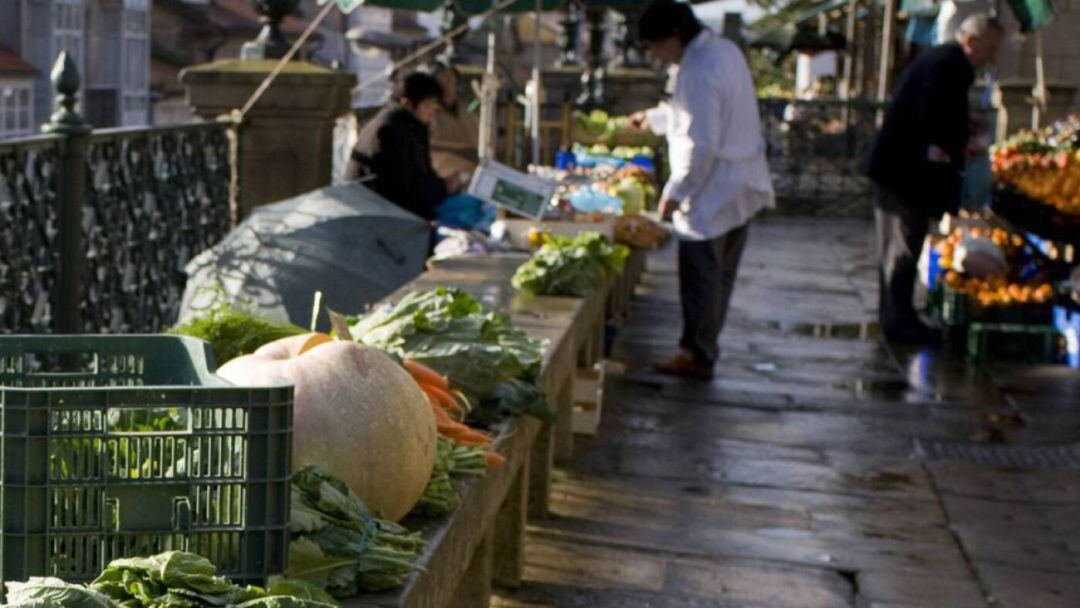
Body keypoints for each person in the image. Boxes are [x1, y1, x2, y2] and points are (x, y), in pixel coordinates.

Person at [631, 0, 775, 379]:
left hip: (714, 188)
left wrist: (676, 191)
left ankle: (695, 352)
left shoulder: (699, 67)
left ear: (675, 36)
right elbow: (689, 114)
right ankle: (703, 347)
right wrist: (653, 118)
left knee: (701, 277)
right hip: (738, 181)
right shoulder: (723, 51)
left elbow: (702, 140)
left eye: (656, 46)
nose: (657, 56)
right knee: (718, 278)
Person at [864, 14, 1002, 343]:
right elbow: (933, 118)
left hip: (898, 170)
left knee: (898, 247)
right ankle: (898, 321)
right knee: (902, 248)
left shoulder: (942, 60)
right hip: (906, 174)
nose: (992, 59)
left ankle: (896, 316)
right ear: (971, 42)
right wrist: (958, 142)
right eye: (991, 49)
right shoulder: (950, 65)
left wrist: (961, 128)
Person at [346, 72, 463, 221]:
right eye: (428, 105)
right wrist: (443, 188)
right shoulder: (390, 130)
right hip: (380, 213)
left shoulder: (413, 125)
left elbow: (423, 174)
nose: (433, 110)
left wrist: (444, 185)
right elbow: (401, 189)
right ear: (407, 104)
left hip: (400, 208)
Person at [427, 59, 481, 182]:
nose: (449, 83)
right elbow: (424, 144)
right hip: (442, 180)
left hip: (470, 179)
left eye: (451, 78)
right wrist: (458, 150)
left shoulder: (466, 114)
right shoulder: (428, 114)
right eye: (443, 79)